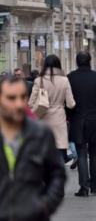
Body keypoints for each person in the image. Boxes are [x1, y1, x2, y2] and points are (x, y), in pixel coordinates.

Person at [0, 76, 66, 220]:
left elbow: (57, 174)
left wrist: (45, 206)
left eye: (23, 97)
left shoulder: (40, 133)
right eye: (11, 98)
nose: (18, 104)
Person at [67, 52, 96, 197]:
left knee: (81, 153)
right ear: (90, 62)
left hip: (78, 119)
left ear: (76, 62)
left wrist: (71, 116)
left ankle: (83, 188)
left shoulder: (70, 77)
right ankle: (95, 185)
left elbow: (68, 101)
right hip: (93, 119)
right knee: (94, 152)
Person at [29, 55, 76, 164]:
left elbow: (31, 102)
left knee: (43, 149)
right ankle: (57, 177)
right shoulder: (64, 80)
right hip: (59, 116)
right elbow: (71, 104)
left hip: (42, 116)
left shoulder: (38, 80)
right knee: (59, 148)